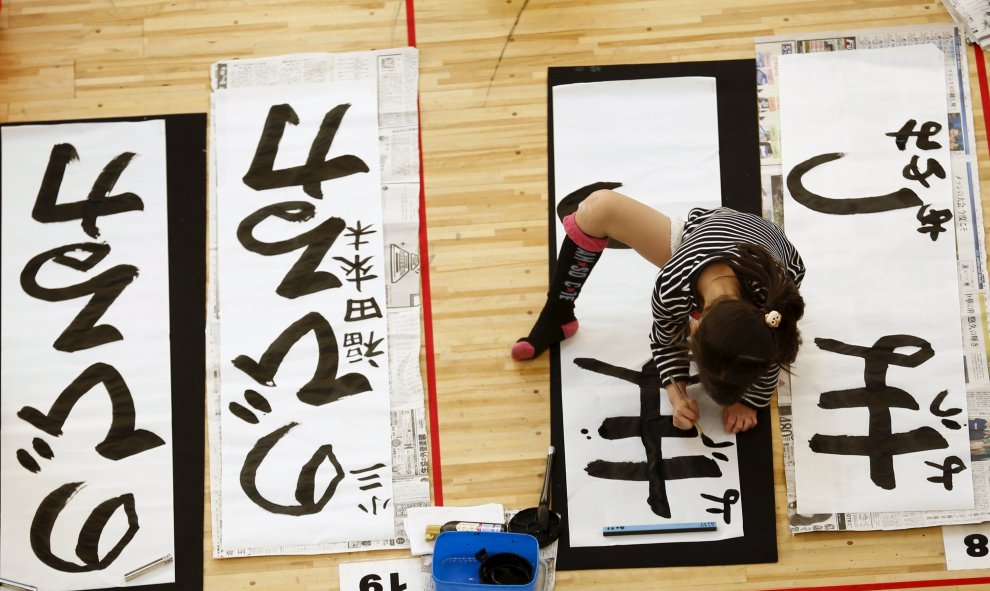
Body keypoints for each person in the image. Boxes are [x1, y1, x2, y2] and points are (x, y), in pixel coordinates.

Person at [511, 189, 806, 434]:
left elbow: (772, 349)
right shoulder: (673, 286)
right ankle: (557, 312)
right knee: (599, 207)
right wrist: (675, 392)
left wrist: (751, 401)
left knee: (759, 339)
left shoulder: (770, 297)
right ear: (692, 325)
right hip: (702, 234)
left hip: (768, 252)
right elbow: (664, 341)